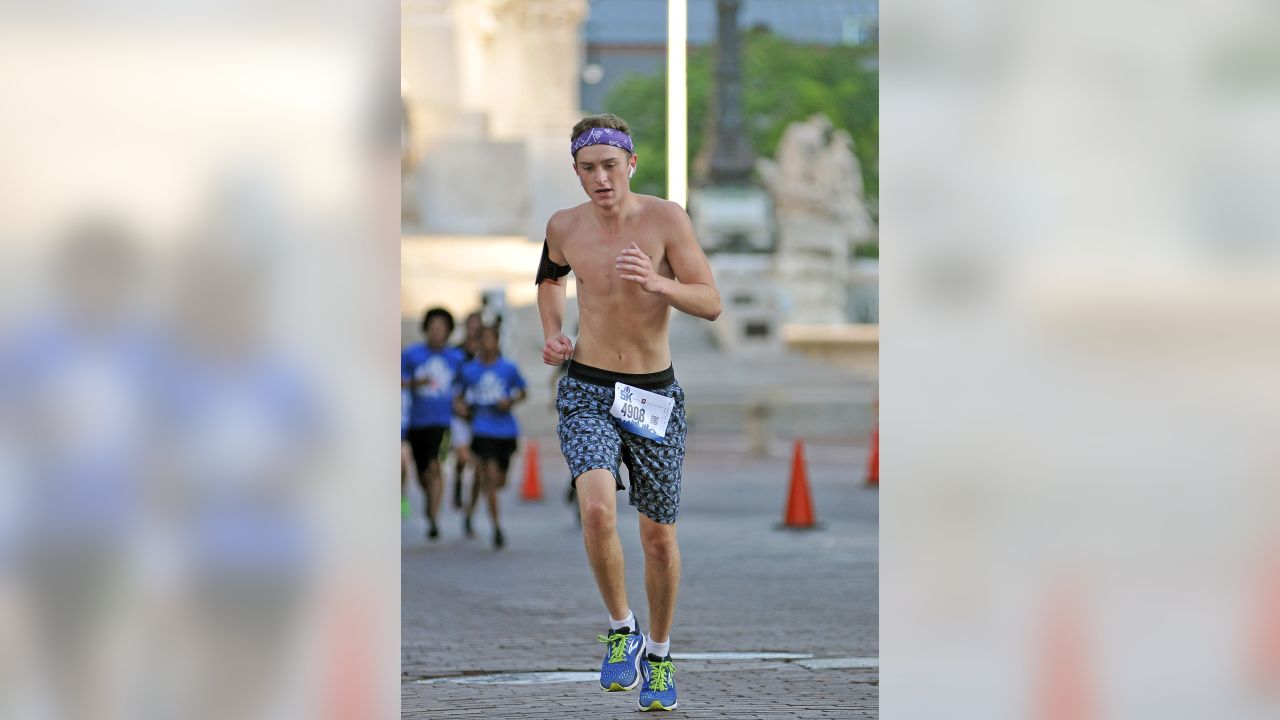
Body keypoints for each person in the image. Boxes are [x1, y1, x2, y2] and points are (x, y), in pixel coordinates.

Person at [536, 113, 720, 712]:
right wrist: (552, 331)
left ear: (631, 164)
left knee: (658, 539)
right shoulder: (564, 226)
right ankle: (621, 629)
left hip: (652, 395)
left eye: (610, 166)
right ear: (577, 172)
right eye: (588, 169)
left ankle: (660, 657)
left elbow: (711, 302)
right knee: (595, 511)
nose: (601, 179)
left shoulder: (667, 220)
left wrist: (661, 285)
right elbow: (549, 279)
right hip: (587, 386)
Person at [454, 324, 526, 549]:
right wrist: (460, 407)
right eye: (481, 339)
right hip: (482, 430)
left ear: (496, 341)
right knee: (490, 478)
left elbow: (522, 390)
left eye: (489, 339)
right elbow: (457, 394)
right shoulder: (469, 370)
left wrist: (510, 401)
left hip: (506, 432)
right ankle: (497, 528)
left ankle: (469, 513)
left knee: (496, 481)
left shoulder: (508, 368)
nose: (485, 344)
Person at [402, 307, 466, 540]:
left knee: (436, 467)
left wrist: (461, 404)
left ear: (448, 331)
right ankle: (429, 504)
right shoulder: (411, 355)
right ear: (425, 328)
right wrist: (414, 383)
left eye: (442, 327)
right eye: (433, 326)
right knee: (422, 475)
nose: (437, 331)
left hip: (443, 422)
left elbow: (463, 387)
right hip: (417, 422)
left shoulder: (456, 358)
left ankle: (433, 517)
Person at [449, 311, 483, 511]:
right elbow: (450, 382)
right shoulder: (456, 352)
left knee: (479, 466)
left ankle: (472, 507)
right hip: (460, 412)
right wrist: (456, 404)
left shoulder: (488, 352)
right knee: (463, 457)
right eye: (471, 325)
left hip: (480, 413)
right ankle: (458, 482)